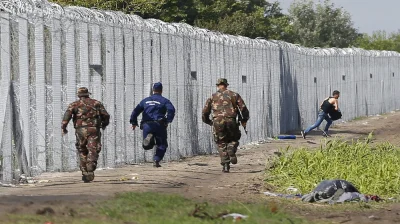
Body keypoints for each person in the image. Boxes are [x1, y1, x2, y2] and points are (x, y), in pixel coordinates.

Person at [62, 87, 110, 183]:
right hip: (93, 129)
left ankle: (84, 171)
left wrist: (64, 127)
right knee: (93, 148)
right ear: (88, 94)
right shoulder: (96, 103)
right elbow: (105, 115)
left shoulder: (74, 104)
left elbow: (67, 116)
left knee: (82, 149)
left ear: (79, 95)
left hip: (80, 130)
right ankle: (90, 166)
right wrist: (104, 124)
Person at [202, 78, 249, 173]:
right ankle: (231, 148)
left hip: (217, 121)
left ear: (218, 85)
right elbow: (243, 108)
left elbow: (205, 112)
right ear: (226, 85)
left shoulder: (213, 97)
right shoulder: (234, 95)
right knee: (234, 139)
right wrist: (244, 119)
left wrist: (209, 121)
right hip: (231, 120)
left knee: (221, 142)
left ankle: (226, 165)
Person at [130, 82, 175, 167]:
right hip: (159, 124)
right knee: (162, 144)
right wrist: (168, 120)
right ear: (161, 90)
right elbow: (171, 110)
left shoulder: (145, 100)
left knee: (147, 146)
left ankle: (149, 137)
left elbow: (135, 111)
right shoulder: (165, 101)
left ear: (153, 90)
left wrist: (134, 122)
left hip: (147, 125)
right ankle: (156, 160)